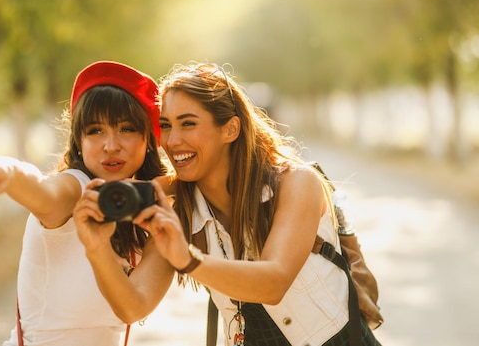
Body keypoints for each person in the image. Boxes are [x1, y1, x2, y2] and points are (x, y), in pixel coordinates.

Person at [133, 62, 381, 345]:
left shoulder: (296, 183)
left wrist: (189, 260)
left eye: (188, 123)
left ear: (230, 129)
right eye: (165, 125)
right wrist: (96, 238)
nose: (172, 140)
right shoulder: (180, 205)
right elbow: (133, 306)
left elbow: (274, 282)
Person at [0, 61, 175, 346]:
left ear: (148, 139)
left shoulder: (156, 214)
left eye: (126, 129)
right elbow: (42, 189)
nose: (111, 145)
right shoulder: (74, 190)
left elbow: (134, 306)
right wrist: (6, 171)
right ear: (78, 141)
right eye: (95, 131)